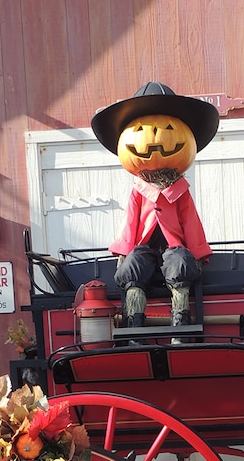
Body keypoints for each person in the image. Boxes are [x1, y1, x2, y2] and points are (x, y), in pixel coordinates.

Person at [91, 82, 219, 331]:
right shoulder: (138, 190)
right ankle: (135, 326)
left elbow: (190, 221)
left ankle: (180, 323)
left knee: (180, 262)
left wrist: (197, 252)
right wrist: (124, 252)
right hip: (144, 245)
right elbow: (131, 221)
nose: (155, 139)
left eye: (168, 129)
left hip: (173, 245)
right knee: (134, 267)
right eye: (140, 130)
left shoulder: (181, 191)